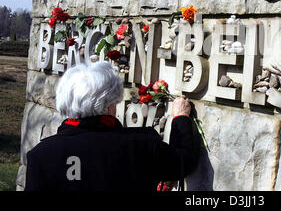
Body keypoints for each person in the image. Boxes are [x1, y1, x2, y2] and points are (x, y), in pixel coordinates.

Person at [24, 61, 198, 191]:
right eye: (115, 103)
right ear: (108, 107)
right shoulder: (141, 145)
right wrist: (181, 118)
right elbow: (183, 162)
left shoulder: (40, 156)